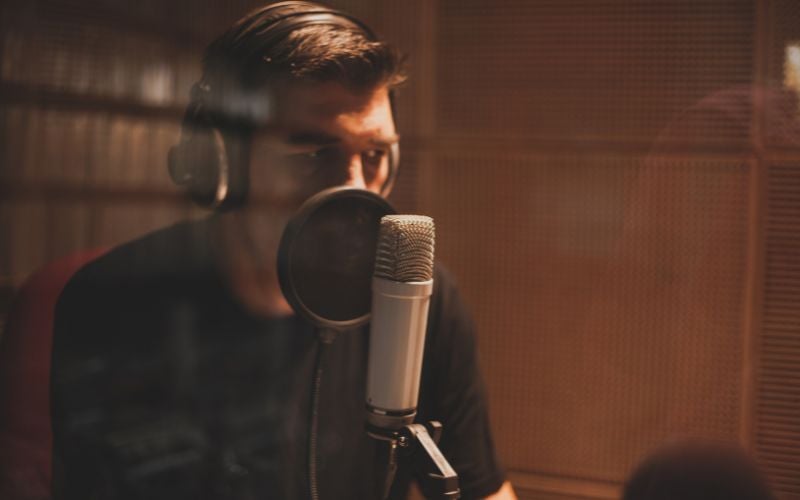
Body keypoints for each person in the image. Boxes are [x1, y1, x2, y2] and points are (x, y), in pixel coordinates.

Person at [50, 2, 516, 499]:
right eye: (313, 155)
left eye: (375, 155)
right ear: (222, 166)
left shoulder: (416, 294)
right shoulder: (111, 302)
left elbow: (482, 489)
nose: (355, 191)